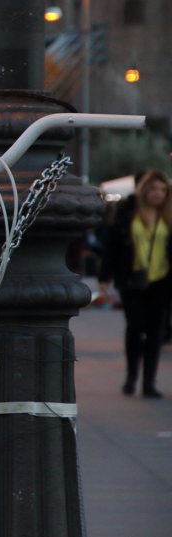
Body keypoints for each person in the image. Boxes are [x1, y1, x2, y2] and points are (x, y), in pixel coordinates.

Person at [99, 170, 172, 398]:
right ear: (143, 190)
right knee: (135, 327)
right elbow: (111, 248)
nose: (157, 194)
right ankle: (131, 378)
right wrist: (104, 278)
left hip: (162, 281)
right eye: (153, 189)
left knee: (155, 332)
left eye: (162, 189)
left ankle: (148, 383)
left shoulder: (169, 217)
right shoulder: (128, 215)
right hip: (132, 279)